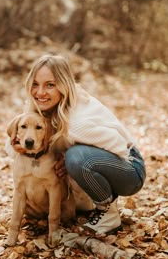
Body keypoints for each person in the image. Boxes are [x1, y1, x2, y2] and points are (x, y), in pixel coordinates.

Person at [23, 53, 146, 235]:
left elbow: (119, 145)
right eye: (35, 84)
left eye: (50, 85)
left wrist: (71, 157)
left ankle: (108, 212)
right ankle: (89, 201)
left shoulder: (77, 122)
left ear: (63, 85)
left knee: (76, 157)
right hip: (99, 162)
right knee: (73, 158)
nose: (40, 92)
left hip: (130, 168)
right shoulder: (37, 107)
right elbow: (13, 145)